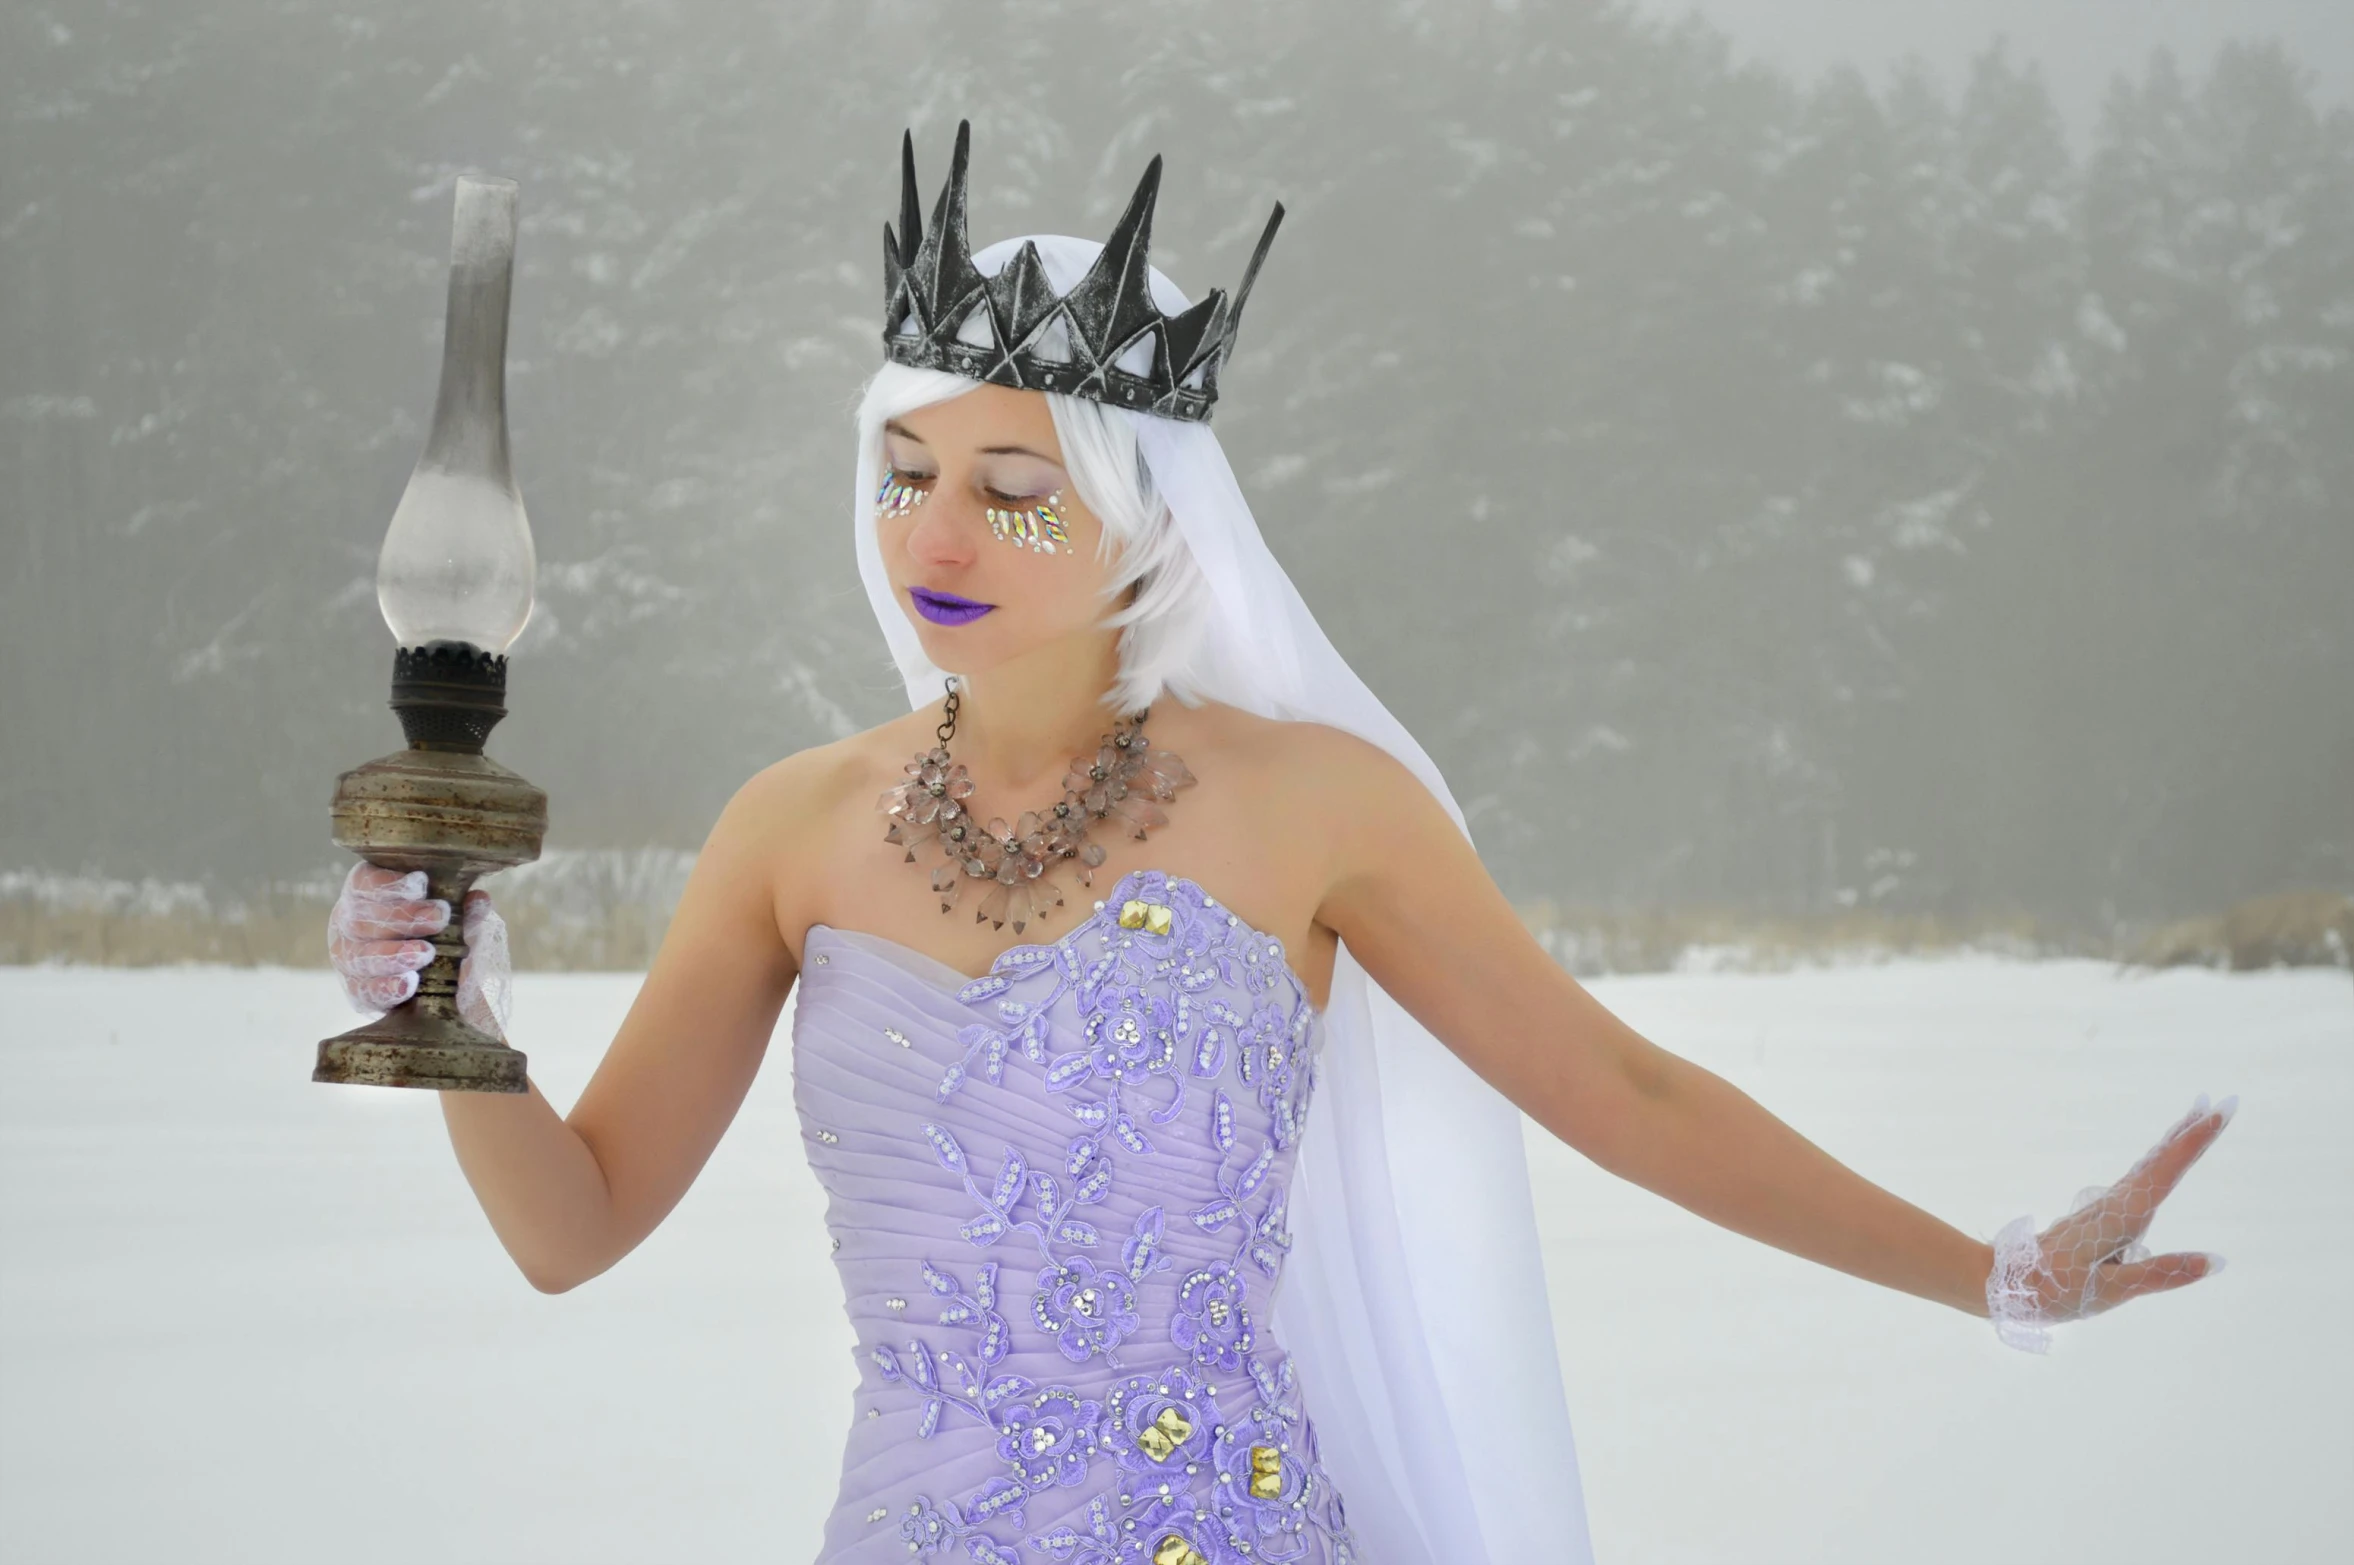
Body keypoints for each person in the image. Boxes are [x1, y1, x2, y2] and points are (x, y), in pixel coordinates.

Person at [326, 122, 2235, 1565]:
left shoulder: (1308, 809)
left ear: (1146, 520)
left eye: (1015, 491)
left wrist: (1987, 1270)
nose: (937, 541)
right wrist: (456, 1028)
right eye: (905, 477)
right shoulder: (790, 829)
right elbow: (571, 1234)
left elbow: (1629, 1094)